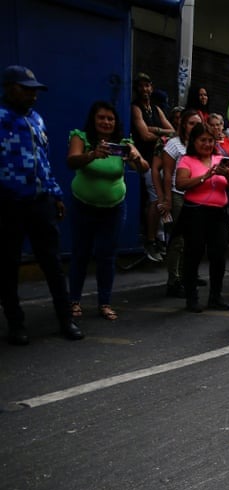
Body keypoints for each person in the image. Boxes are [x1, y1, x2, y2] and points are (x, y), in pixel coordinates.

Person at [1, 65, 84, 345]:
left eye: (34, 91)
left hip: (40, 202)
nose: (32, 96)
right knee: (8, 265)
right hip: (8, 203)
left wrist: (56, 194)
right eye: (26, 90)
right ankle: (16, 324)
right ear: (9, 88)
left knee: (52, 263)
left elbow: (45, 162)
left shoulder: (37, 119)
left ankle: (65, 320)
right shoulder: (1, 119)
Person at [66, 101, 149, 322]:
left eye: (110, 119)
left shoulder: (123, 143)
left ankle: (104, 303)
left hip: (113, 209)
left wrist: (135, 157)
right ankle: (74, 301)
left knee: (107, 256)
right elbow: (72, 161)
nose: (106, 122)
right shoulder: (81, 137)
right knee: (81, 254)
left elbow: (144, 168)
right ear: (94, 120)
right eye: (101, 118)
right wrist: (92, 154)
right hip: (83, 206)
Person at [175, 122, 229, 312]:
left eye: (210, 140)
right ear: (194, 141)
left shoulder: (221, 159)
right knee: (193, 254)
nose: (206, 144)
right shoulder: (187, 160)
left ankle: (215, 296)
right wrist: (205, 176)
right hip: (196, 213)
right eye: (202, 140)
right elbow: (181, 184)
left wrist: (228, 174)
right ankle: (192, 297)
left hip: (219, 214)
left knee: (219, 255)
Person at [130, 73, 173, 262]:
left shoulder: (155, 109)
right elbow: (143, 135)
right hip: (144, 161)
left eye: (147, 86)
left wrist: (155, 130)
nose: (145, 89)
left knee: (162, 200)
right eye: (141, 86)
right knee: (155, 200)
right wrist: (160, 134)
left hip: (159, 161)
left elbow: (172, 131)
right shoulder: (135, 108)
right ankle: (150, 240)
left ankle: (159, 238)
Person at [161, 108, 204, 298]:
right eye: (191, 123)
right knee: (177, 240)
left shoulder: (200, 144)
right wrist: (167, 198)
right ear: (183, 125)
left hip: (197, 195)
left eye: (197, 123)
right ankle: (173, 280)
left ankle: (188, 275)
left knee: (192, 240)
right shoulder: (174, 144)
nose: (194, 127)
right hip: (178, 194)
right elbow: (167, 173)